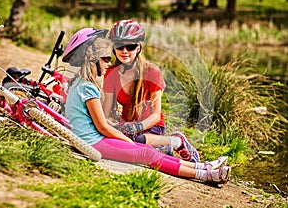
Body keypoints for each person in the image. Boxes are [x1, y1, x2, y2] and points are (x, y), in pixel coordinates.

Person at [63, 27, 231, 184]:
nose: (109, 63)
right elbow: (103, 127)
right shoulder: (88, 88)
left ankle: (203, 166)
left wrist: (126, 137)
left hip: (93, 139)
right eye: (106, 58)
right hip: (93, 142)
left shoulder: (79, 84)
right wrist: (126, 140)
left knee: (146, 151)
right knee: (146, 153)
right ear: (92, 59)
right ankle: (204, 174)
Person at [102, 19, 199, 162]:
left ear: (138, 48)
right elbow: (106, 112)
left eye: (130, 46)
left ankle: (176, 141)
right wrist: (110, 125)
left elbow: (155, 116)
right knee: (118, 143)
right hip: (126, 126)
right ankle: (164, 148)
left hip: (151, 127)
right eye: (119, 46)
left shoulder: (151, 72)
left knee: (135, 144)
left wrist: (136, 127)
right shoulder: (110, 73)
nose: (124, 51)